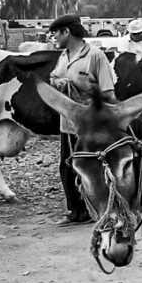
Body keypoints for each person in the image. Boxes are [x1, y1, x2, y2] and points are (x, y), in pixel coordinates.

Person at [48, 14, 117, 226]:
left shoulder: (95, 56)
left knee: (93, 166)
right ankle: (75, 211)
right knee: (67, 166)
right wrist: (59, 84)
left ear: (67, 32)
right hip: (67, 123)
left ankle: (104, 208)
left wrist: (85, 88)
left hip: (91, 126)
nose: (54, 38)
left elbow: (109, 94)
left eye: (56, 34)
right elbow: (53, 78)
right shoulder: (62, 56)